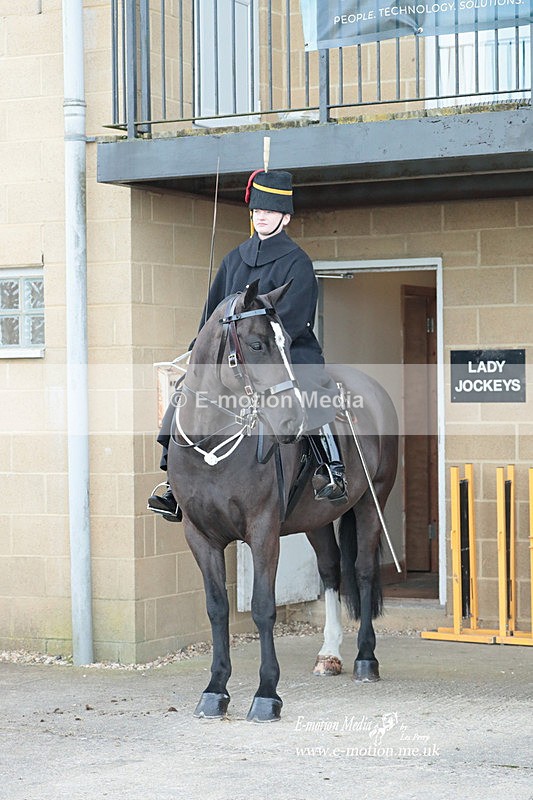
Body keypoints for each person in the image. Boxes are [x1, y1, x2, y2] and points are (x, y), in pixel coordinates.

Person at [148, 169, 347, 520]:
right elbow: (212, 311)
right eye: (257, 211)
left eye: (269, 212)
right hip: (233, 355)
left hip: (284, 349)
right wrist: (203, 349)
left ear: (285, 217)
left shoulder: (297, 261)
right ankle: (172, 483)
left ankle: (331, 467)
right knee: (186, 391)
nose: (262, 217)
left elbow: (296, 317)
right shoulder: (233, 259)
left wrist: (260, 344)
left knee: (310, 388)